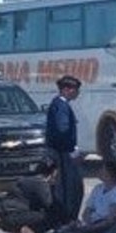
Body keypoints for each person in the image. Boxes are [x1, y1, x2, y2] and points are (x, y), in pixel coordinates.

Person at [14, 159, 116, 233]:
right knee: (70, 229)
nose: (99, 171)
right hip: (94, 223)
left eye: (102, 169)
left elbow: (111, 220)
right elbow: (88, 210)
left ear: (110, 174)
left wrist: (90, 227)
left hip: (105, 226)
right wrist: (86, 221)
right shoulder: (98, 189)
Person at [0, 157, 65, 233]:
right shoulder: (40, 182)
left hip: (2, 217)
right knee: (53, 216)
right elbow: (50, 204)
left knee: (39, 213)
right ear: (52, 172)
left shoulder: (27, 179)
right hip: (13, 216)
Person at [45, 75, 84, 223]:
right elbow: (63, 130)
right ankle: (67, 218)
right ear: (67, 90)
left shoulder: (57, 104)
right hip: (63, 154)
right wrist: (73, 150)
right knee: (70, 187)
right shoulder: (61, 106)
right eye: (76, 90)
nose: (77, 93)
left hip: (59, 152)